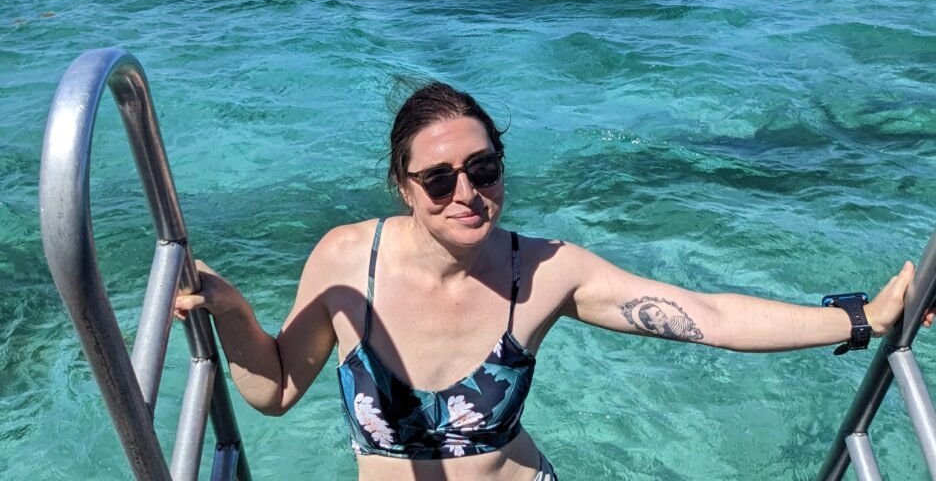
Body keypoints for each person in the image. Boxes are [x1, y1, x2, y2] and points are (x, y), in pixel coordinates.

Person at [175, 81, 928, 480]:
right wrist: (233, 309)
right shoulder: (347, 260)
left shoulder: (543, 271)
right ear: (400, 186)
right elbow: (272, 392)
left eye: (484, 169)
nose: (466, 192)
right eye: (437, 179)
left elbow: (706, 316)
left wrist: (863, 316)